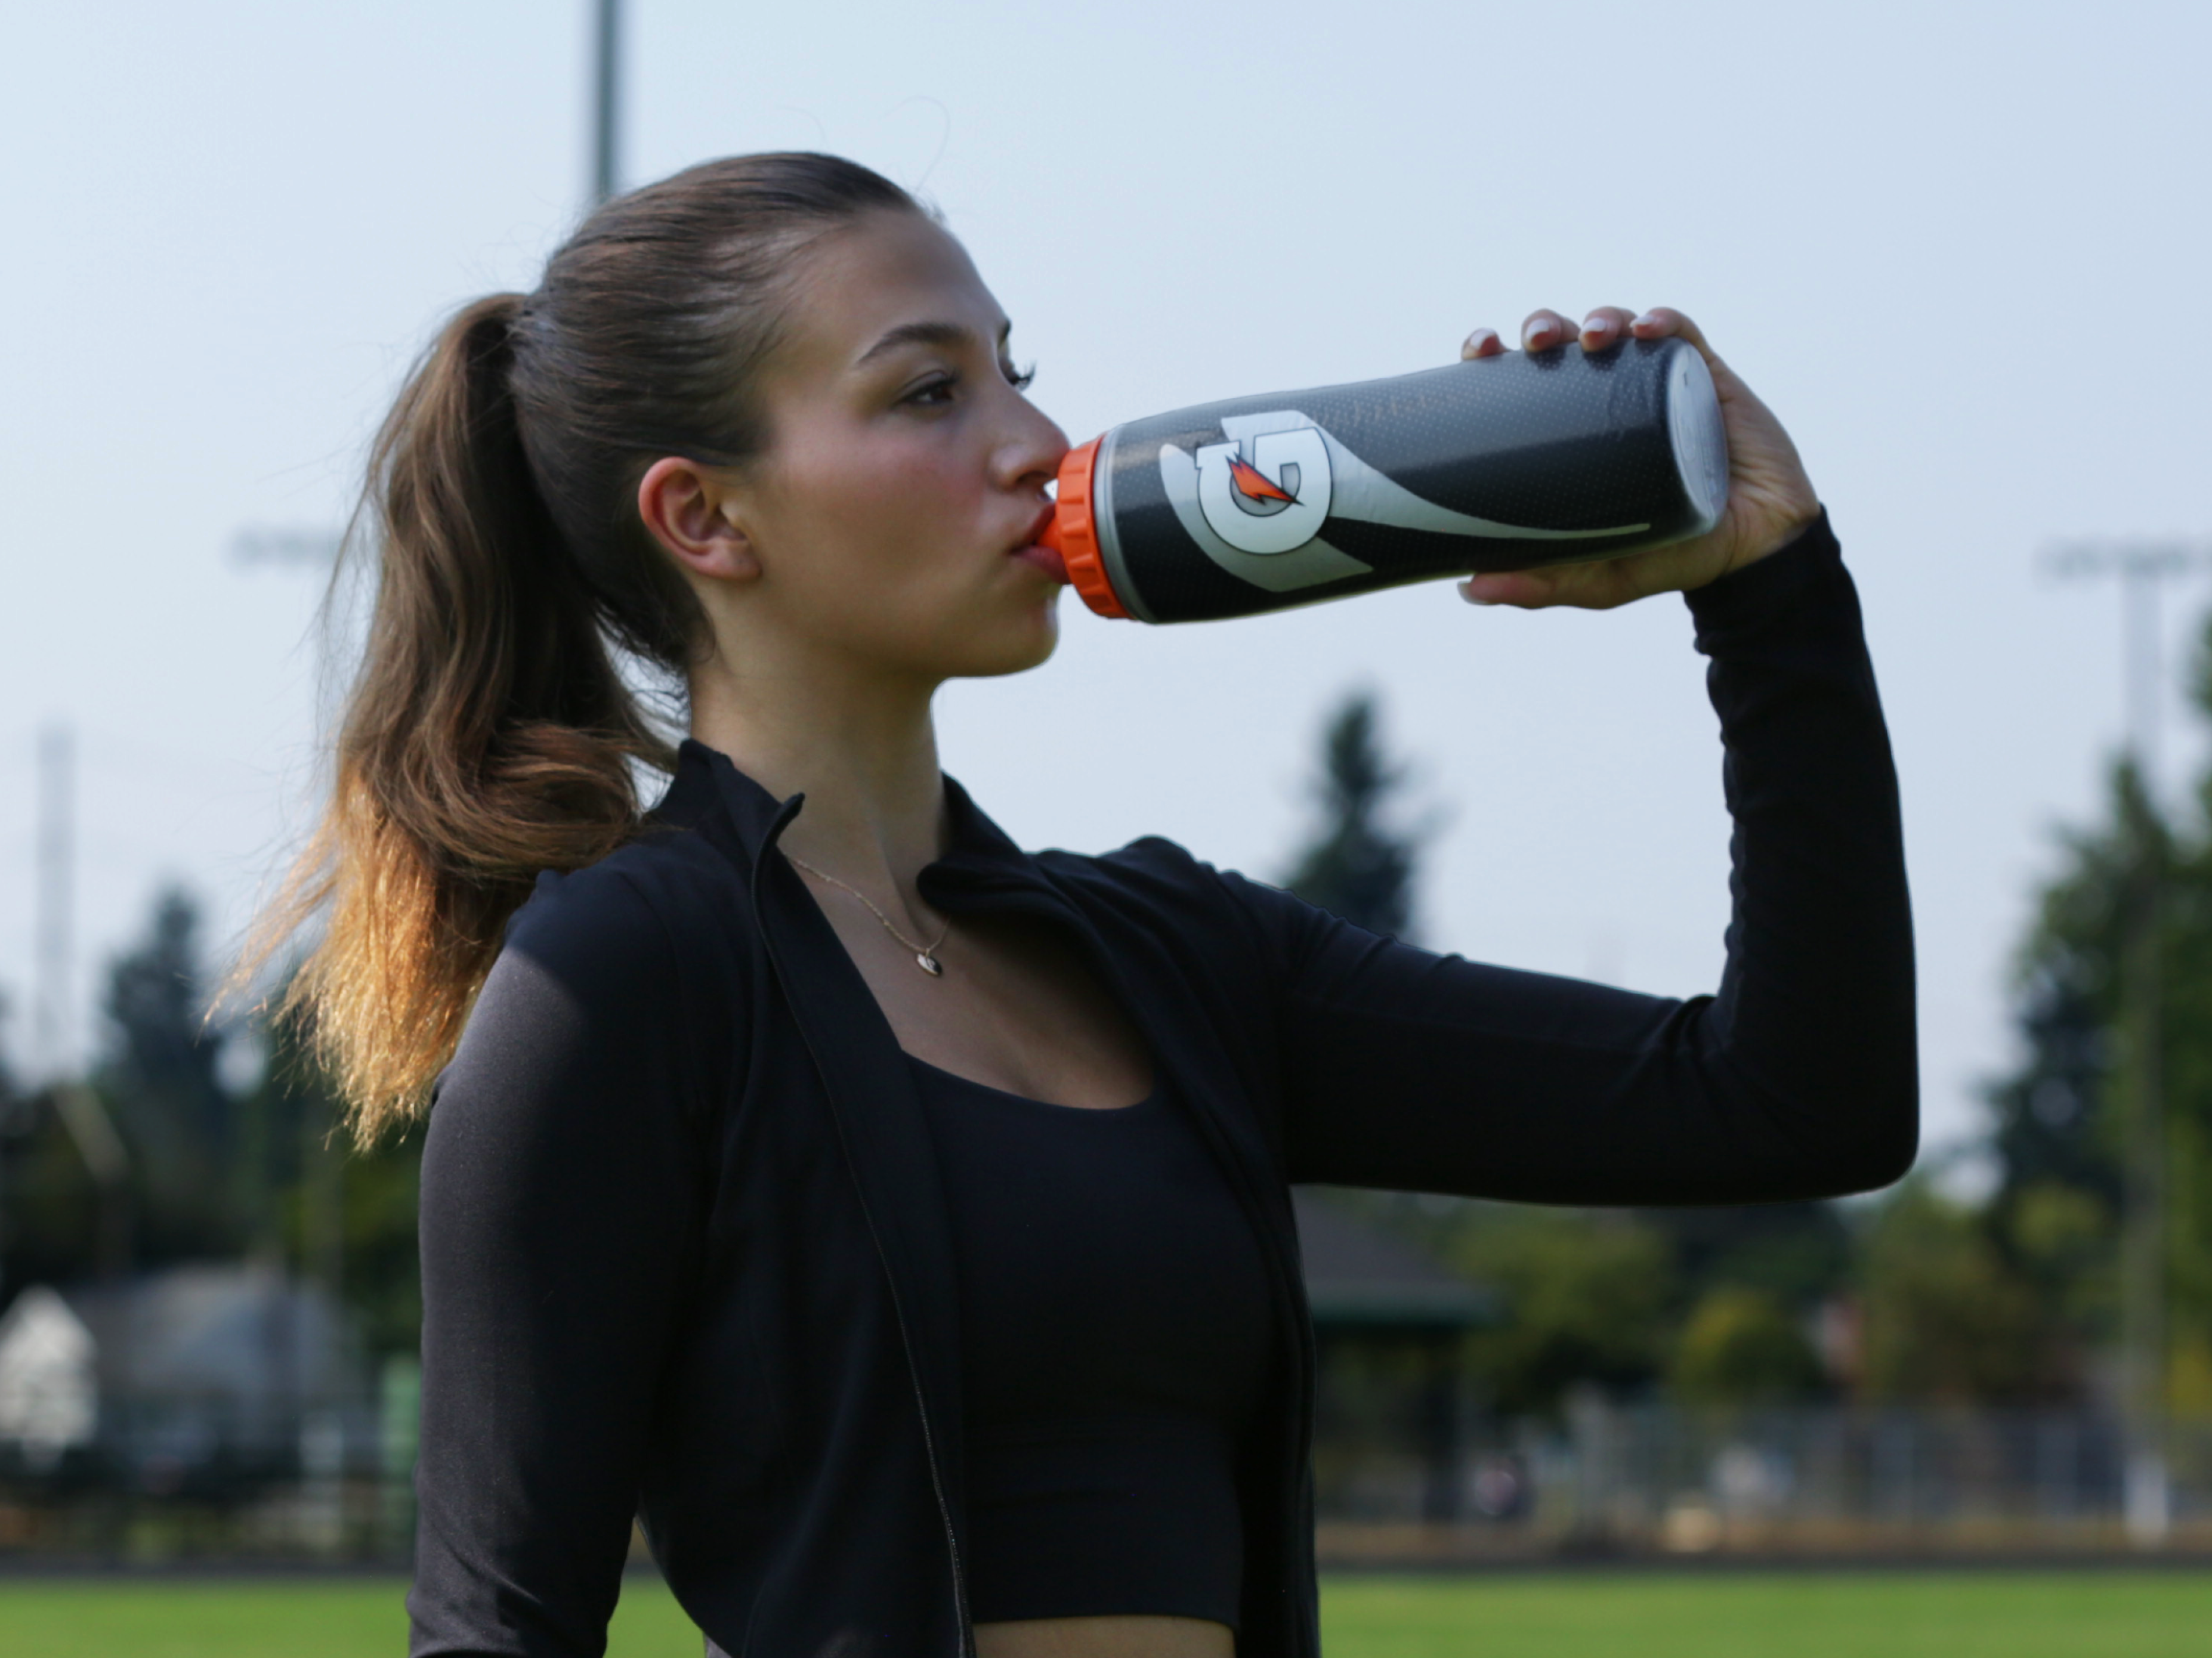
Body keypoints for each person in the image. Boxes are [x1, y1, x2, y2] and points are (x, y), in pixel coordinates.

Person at [255, 153, 1916, 1658]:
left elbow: (1792, 1102)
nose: (1037, 446)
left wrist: (1764, 593)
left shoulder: (1173, 954)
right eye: (925, 392)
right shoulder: (628, 979)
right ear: (705, 514)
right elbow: (494, 1627)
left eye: (1014, 374)